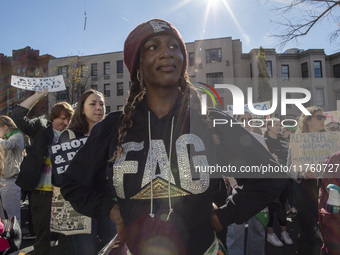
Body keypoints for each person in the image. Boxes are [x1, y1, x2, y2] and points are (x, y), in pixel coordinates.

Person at [61, 19, 285, 255]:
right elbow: (73, 184)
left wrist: (224, 216)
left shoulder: (211, 123)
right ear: (137, 64)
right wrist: (112, 210)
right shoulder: (113, 127)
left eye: (173, 46)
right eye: (152, 47)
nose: (166, 53)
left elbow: (271, 176)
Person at [11, 91, 73, 255]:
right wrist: (39, 95)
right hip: (42, 193)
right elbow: (17, 116)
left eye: (68, 119)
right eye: (61, 117)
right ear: (53, 117)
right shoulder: (40, 128)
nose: (64, 122)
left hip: (65, 194)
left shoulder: (74, 135)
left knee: (66, 236)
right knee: (42, 236)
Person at [56, 89, 116, 254]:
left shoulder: (110, 134)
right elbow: (63, 176)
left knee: (114, 248)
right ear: (82, 109)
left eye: (102, 104)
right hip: (79, 208)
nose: (99, 108)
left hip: (107, 203)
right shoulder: (68, 136)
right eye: (93, 104)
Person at [226, 112, 268, 255]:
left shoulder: (259, 139)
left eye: (250, 119)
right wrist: (234, 182)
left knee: (258, 229)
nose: (247, 122)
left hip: (257, 192)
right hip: (238, 191)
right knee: (236, 231)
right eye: (242, 119)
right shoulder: (228, 140)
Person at [287, 106, 326, 255]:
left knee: (327, 225)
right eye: (319, 117)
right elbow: (290, 168)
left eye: (323, 117)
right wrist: (302, 174)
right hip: (305, 190)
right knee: (307, 228)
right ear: (308, 121)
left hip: (324, 188)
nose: (323, 120)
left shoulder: (329, 141)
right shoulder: (297, 142)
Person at [263, 118, 293, 247]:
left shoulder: (284, 140)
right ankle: (270, 233)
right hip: (271, 178)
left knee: (282, 204)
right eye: (275, 124)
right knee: (270, 205)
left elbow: (290, 156)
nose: (278, 127)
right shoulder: (264, 141)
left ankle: (284, 232)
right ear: (268, 127)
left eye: (279, 124)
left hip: (284, 177)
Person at [0, 116, 25, 228]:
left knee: (12, 215)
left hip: (10, 179)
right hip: (4, 178)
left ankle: (13, 240)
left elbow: (7, 146)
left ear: (5, 127)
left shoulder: (17, 136)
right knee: (3, 214)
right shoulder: (6, 138)